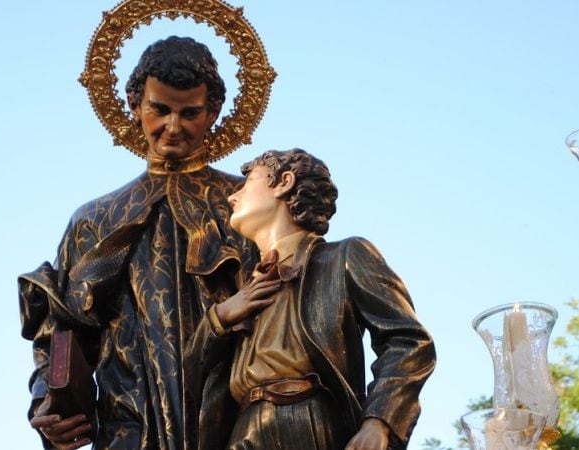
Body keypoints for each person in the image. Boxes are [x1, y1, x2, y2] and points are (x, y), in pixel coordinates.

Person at [19, 36, 257, 450]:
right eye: (160, 110)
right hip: (129, 427)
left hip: (237, 423)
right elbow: (60, 334)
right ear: (134, 104)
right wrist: (49, 401)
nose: (173, 126)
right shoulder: (94, 219)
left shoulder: (249, 204)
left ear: (214, 112)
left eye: (190, 113)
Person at [185, 149, 436, 449]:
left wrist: (379, 421)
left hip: (309, 421)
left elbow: (408, 341)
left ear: (284, 182)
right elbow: (190, 376)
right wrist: (222, 316)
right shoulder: (241, 290)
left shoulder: (342, 258)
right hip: (242, 431)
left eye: (248, 182)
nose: (232, 197)